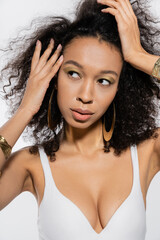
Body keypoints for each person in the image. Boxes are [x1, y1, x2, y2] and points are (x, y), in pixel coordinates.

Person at [0, 0, 160, 239]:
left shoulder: (148, 151)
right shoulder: (31, 165)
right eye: (73, 74)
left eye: (104, 81)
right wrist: (26, 109)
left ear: (120, 89)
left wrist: (139, 56)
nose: (86, 96)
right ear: (53, 76)